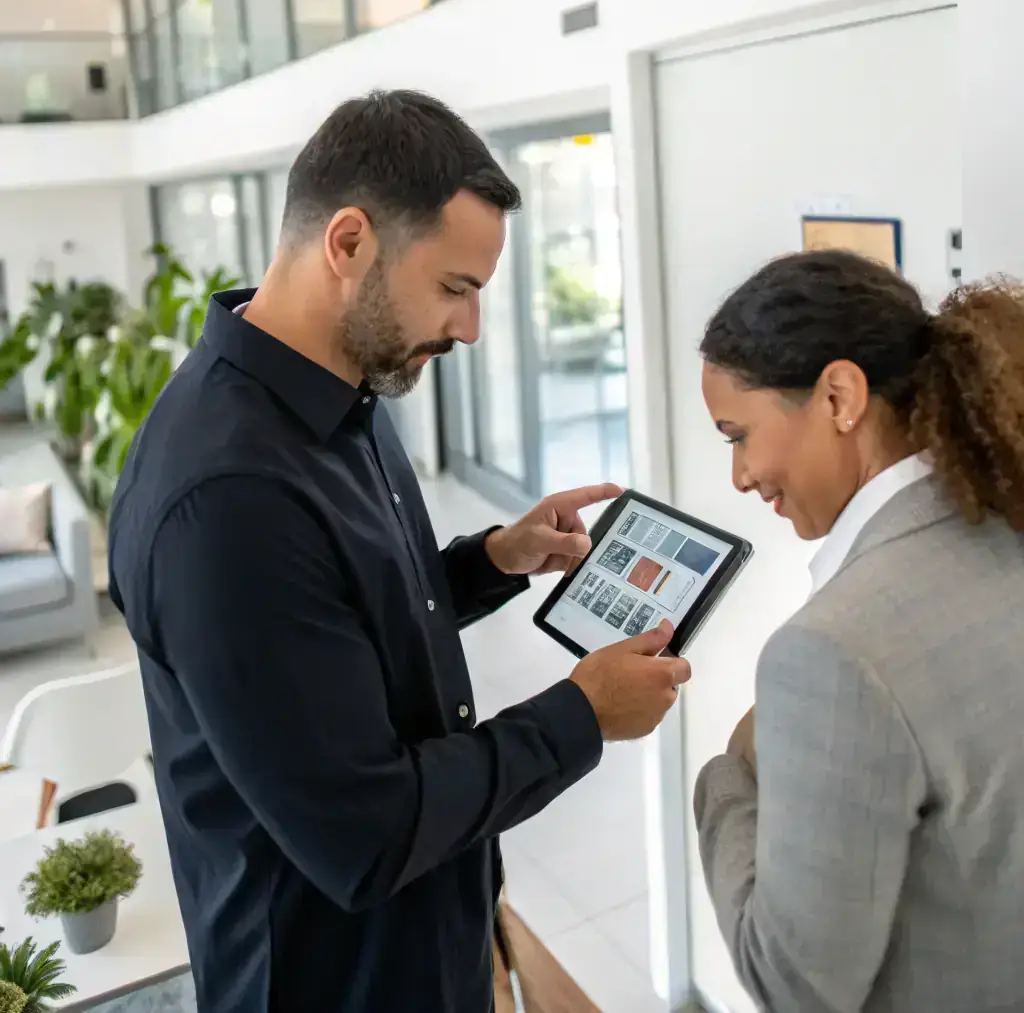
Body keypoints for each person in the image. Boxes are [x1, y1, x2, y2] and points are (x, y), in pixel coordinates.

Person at [108, 90, 690, 1013]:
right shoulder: (225, 500)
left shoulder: (343, 396)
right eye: (455, 288)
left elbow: (349, 614)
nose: (469, 329)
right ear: (348, 243)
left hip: (424, 944)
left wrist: (493, 558)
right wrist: (583, 712)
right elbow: (367, 830)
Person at [693, 249, 1024, 1013]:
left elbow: (796, 983)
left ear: (839, 395)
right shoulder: (1006, 523)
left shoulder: (832, 652)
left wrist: (728, 772)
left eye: (737, 435)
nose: (740, 476)